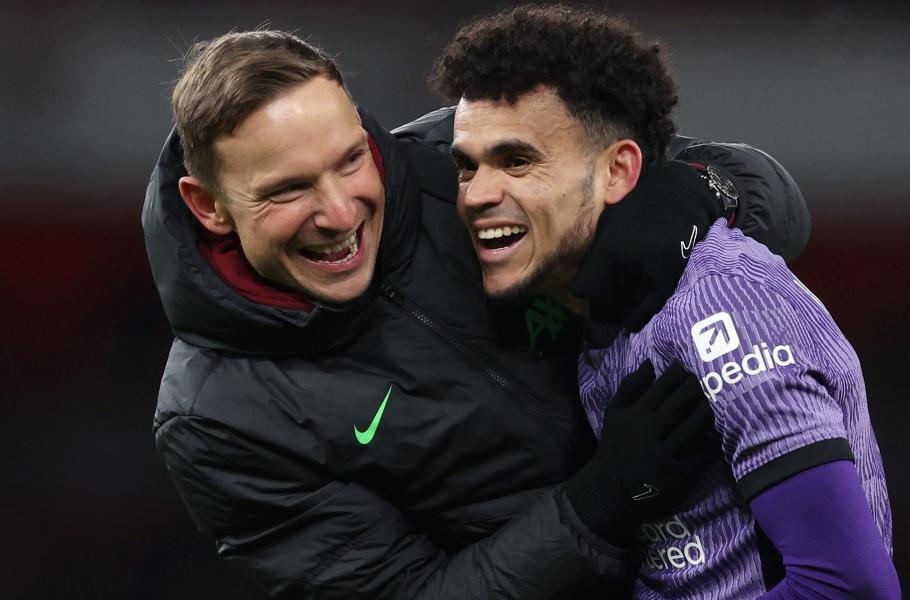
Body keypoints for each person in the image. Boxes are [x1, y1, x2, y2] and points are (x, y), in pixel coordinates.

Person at [145, 29, 809, 599]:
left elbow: (772, 197)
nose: (341, 212)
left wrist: (697, 193)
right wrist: (602, 501)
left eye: (351, 161)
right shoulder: (218, 417)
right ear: (208, 206)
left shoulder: (458, 162)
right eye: (289, 189)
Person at [433, 5, 900, 599]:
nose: (477, 195)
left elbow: (847, 586)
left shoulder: (722, 302)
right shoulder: (589, 301)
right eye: (465, 167)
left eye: (518, 161)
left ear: (617, 171)